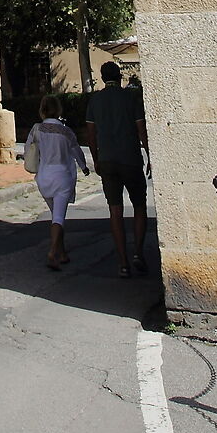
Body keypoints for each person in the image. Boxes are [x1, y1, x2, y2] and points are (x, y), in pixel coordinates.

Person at [82, 62, 149, 277]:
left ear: (102, 78)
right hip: (130, 158)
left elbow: (90, 134)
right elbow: (141, 129)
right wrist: (150, 154)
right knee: (139, 205)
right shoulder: (131, 98)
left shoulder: (95, 101)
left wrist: (96, 159)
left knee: (115, 209)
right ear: (119, 76)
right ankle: (138, 251)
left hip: (107, 159)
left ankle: (122, 263)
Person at [23, 94, 89, 269]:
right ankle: (53, 252)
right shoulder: (66, 131)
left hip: (44, 177)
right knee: (58, 218)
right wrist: (85, 167)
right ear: (58, 109)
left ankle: (62, 252)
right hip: (62, 176)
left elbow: (27, 149)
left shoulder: (37, 129)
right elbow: (77, 152)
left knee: (55, 217)